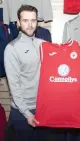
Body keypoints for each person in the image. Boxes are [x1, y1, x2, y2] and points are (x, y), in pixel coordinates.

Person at [4, 5, 44, 141]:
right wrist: (27, 114)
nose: (30, 24)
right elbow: (14, 88)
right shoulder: (12, 49)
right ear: (19, 22)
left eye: (33, 20)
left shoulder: (44, 44)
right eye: (26, 20)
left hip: (42, 108)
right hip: (22, 112)